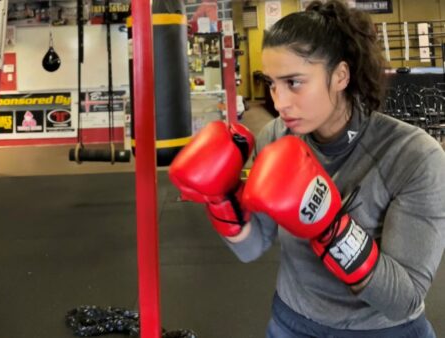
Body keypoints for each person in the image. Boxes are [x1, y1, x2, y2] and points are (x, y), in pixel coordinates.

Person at [169, 1, 445, 337]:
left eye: (294, 82)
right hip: (292, 322)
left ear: (340, 76)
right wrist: (222, 200)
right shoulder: (278, 136)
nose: (279, 102)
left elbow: (403, 300)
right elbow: (251, 247)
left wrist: (328, 225)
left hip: (382, 331)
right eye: (271, 83)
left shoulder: (413, 156)